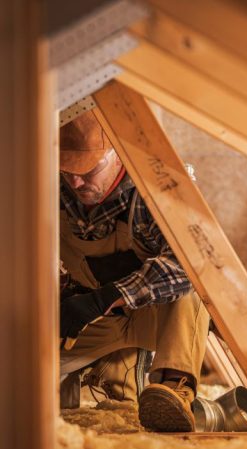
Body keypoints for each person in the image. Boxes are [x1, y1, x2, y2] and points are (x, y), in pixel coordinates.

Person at [59, 110, 209, 432]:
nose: (75, 181)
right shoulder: (53, 189)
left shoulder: (156, 186)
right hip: (94, 319)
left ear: (117, 153)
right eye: (67, 170)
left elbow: (191, 262)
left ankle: (172, 387)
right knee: (16, 367)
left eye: (87, 170)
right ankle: (114, 370)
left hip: (157, 319)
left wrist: (107, 297)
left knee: (193, 279)